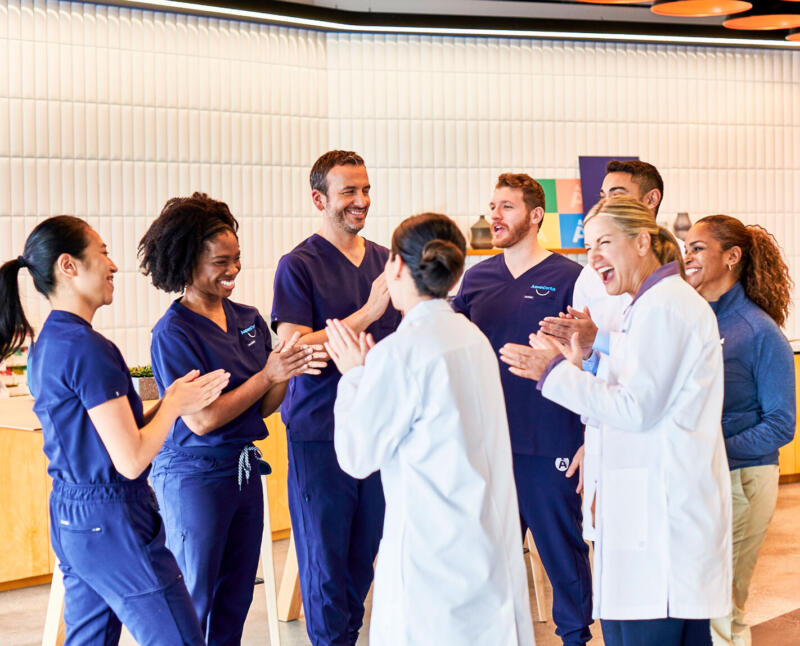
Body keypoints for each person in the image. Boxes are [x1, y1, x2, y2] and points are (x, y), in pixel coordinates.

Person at [501, 196, 732, 646]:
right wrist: (583, 361)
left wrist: (553, 373)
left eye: (604, 243)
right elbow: (631, 392)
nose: (593, 258)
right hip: (645, 526)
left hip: (661, 532)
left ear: (642, 242)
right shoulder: (645, 307)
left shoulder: (665, 307)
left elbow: (636, 408)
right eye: (588, 247)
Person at [0, 216, 230, 645]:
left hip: (73, 518)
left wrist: (171, 401)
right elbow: (131, 460)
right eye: (102, 252)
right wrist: (174, 406)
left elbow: (112, 435)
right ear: (68, 265)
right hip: (113, 519)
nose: (113, 265)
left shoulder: (49, 343)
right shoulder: (89, 349)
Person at [326, 212, 536, 646]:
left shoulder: (401, 351)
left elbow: (356, 456)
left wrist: (355, 376)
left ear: (396, 267)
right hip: (484, 538)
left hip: (431, 554)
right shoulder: (472, 337)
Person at [138, 193, 324, 645]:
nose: (233, 270)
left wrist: (287, 367)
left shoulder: (248, 319)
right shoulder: (174, 331)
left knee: (235, 597)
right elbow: (202, 421)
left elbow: (262, 405)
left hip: (241, 473)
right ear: (188, 264)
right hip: (194, 477)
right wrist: (268, 375)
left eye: (236, 259)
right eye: (221, 262)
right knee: (194, 598)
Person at [452, 173, 592, 645]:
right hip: (491, 445)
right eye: (492, 205)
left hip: (551, 440)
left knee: (562, 554)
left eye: (506, 206)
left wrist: (589, 437)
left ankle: (575, 637)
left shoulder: (570, 278)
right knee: (490, 560)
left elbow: (591, 361)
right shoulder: (476, 279)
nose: (495, 215)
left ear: (535, 215)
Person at [271, 150, 401, 646]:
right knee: (325, 563)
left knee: (363, 558)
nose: (361, 200)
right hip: (320, 433)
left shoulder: (386, 261)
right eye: (349, 191)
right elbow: (294, 348)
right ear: (319, 199)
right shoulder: (298, 266)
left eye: (365, 190)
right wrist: (367, 312)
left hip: (377, 431)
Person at [538, 160, 665, 540]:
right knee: (608, 545)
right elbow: (592, 362)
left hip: (648, 437)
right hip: (603, 427)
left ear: (651, 200)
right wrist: (588, 437)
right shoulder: (589, 278)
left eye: (617, 194)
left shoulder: (669, 283)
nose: (606, 202)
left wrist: (596, 343)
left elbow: (647, 371)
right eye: (603, 195)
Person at [684, 215, 796, 646]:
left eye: (698, 248)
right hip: (702, 474)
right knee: (703, 602)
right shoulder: (695, 320)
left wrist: (714, 450)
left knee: (722, 607)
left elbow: (781, 424)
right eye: (686, 248)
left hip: (743, 478)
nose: (688, 257)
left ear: (731, 257)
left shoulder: (758, 331)